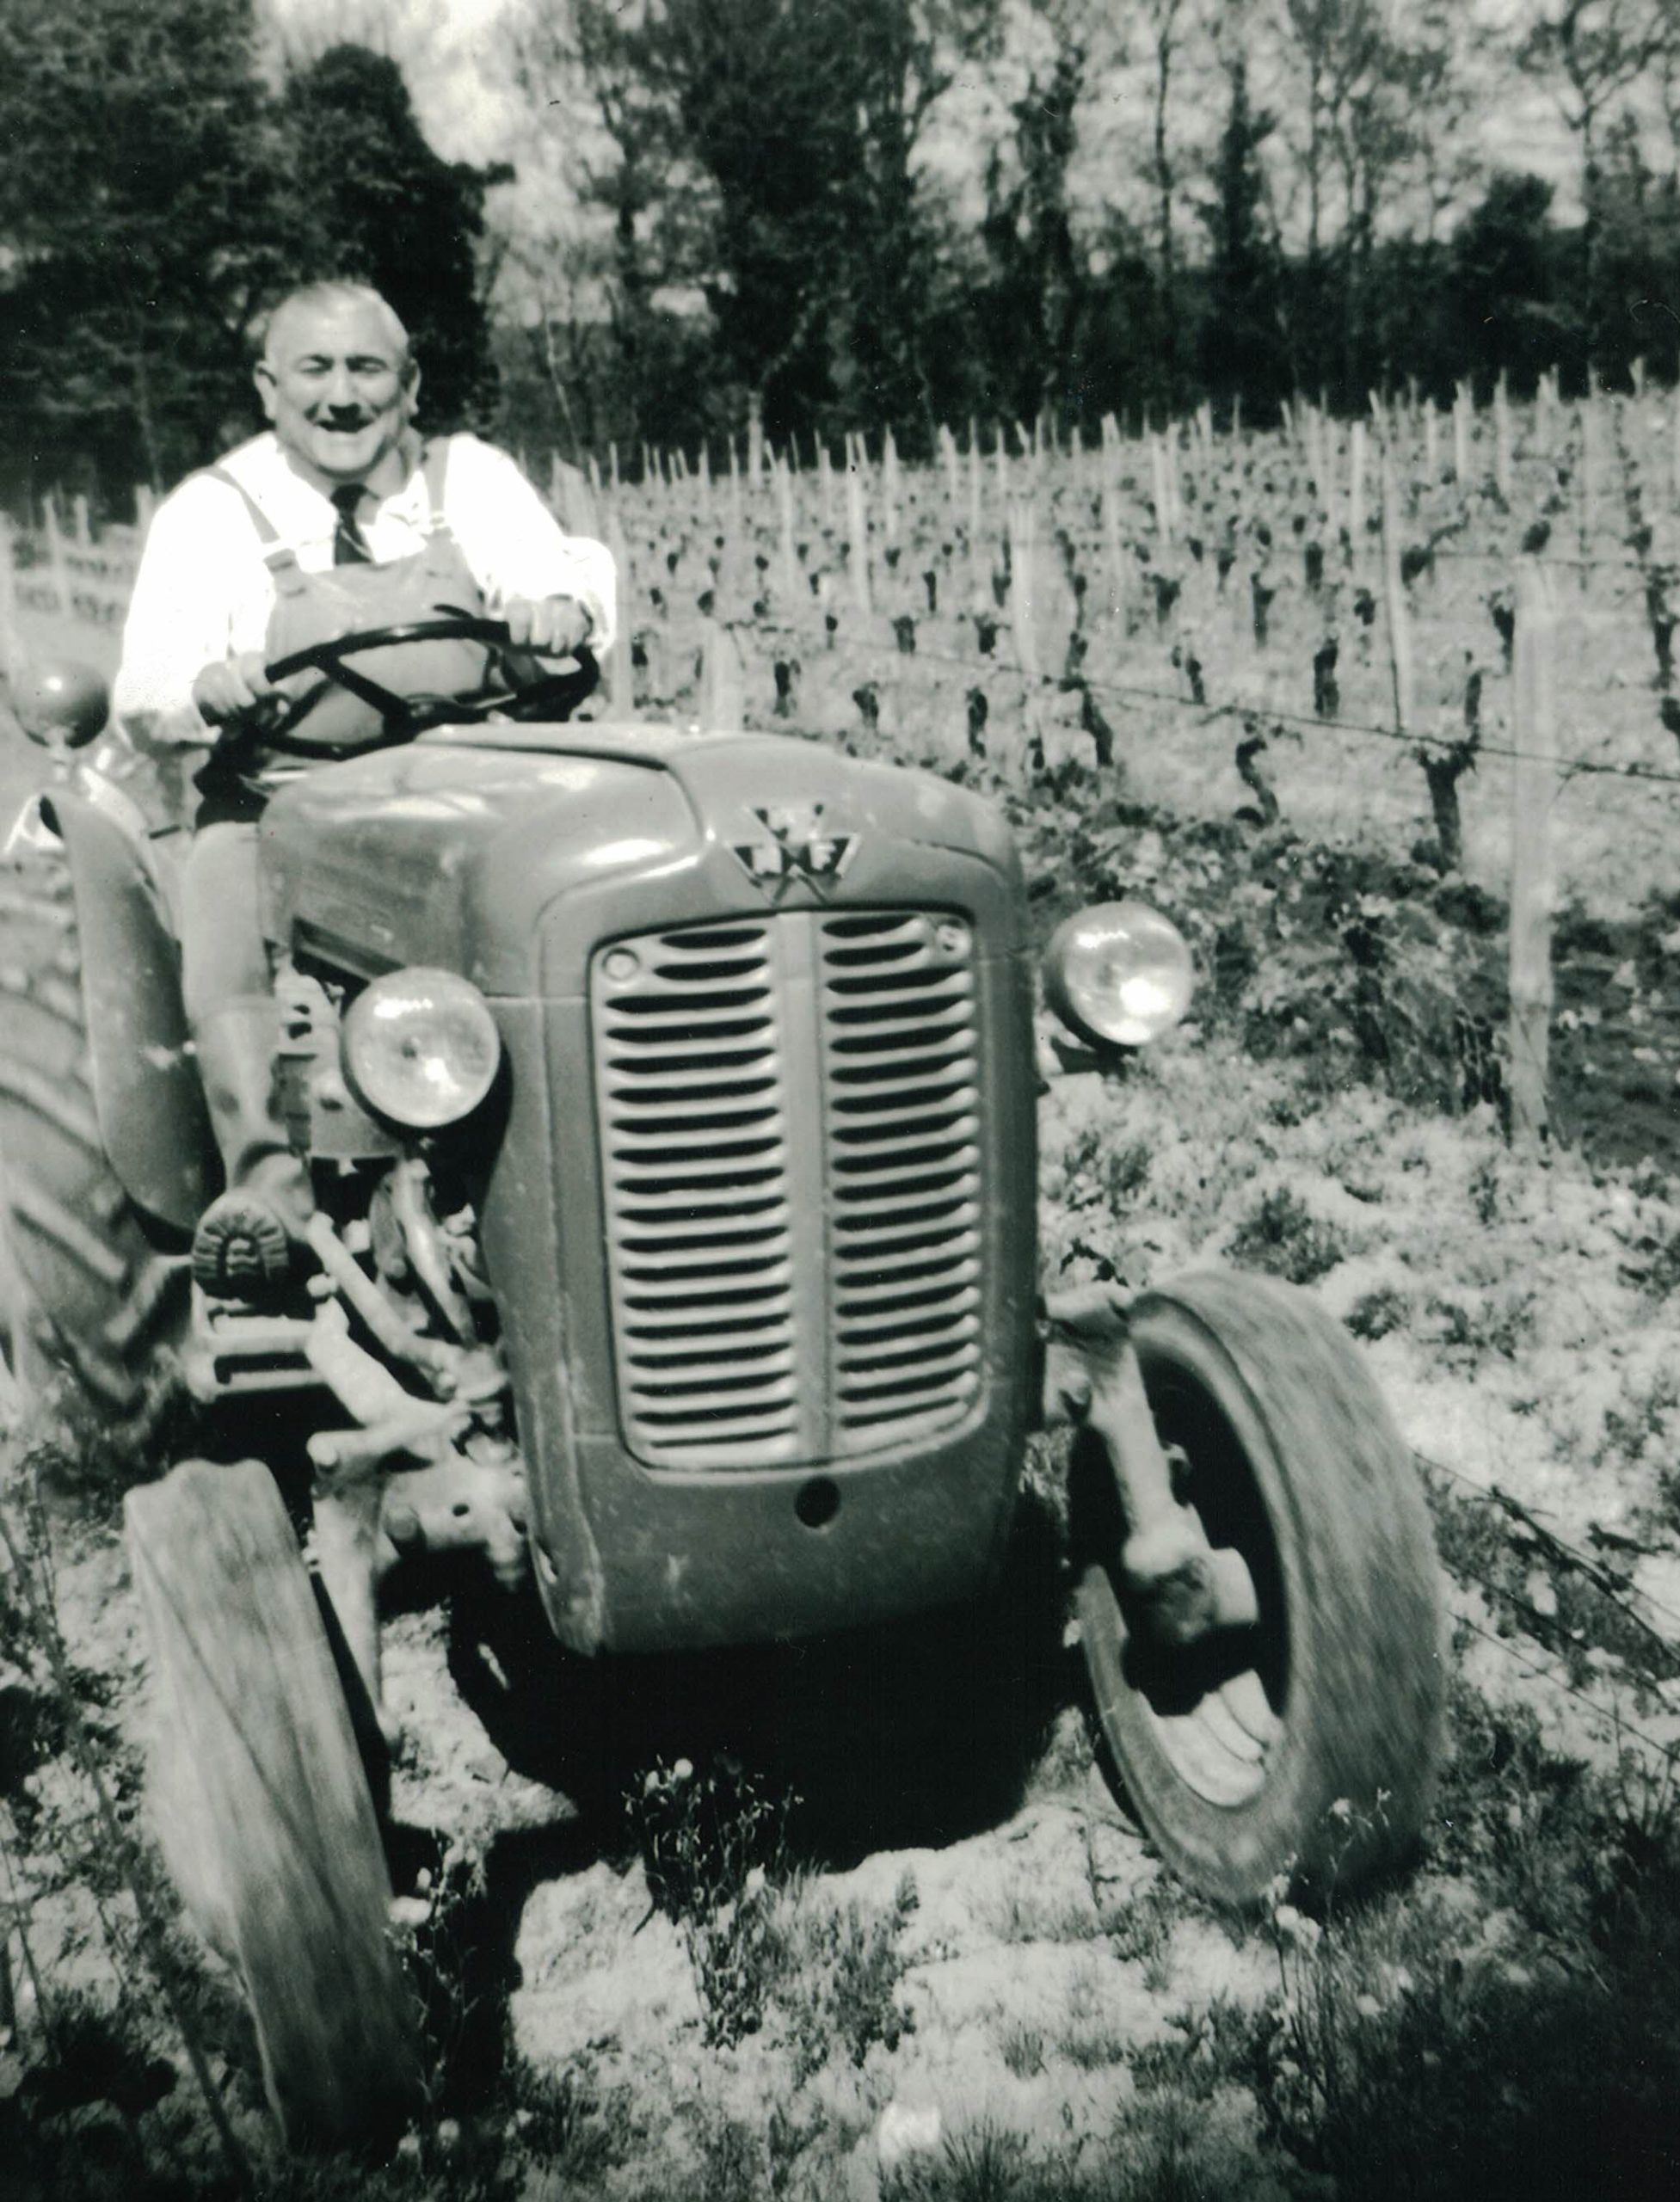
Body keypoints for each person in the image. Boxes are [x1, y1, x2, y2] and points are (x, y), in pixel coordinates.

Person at [114, 280, 617, 1299]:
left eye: (366, 369)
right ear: (269, 387)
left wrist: (559, 608)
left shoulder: (468, 478)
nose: (341, 397)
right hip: (285, 800)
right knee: (219, 913)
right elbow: (147, 687)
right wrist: (204, 688)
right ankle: (271, 1188)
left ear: (409, 383)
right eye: (314, 369)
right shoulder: (211, 511)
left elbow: (562, 573)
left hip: (476, 789)